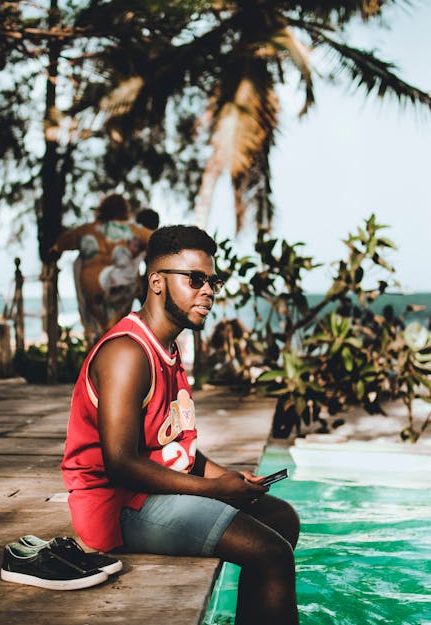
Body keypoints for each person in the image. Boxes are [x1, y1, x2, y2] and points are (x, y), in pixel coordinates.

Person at [61, 225, 300, 625]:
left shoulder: (167, 348)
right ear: (156, 281)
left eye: (213, 281)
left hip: (149, 494)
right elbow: (120, 462)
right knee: (271, 553)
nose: (208, 291)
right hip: (116, 507)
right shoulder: (127, 353)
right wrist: (211, 490)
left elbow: (172, 441)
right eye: (195, 279)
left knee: (281, 518)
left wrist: (229, 479)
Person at [49, 194, 154, 346]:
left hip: (92, 287)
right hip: (122, 290)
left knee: (98, 337)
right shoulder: (135, 230)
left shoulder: (87, 230)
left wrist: (55, 248)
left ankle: (95, 345)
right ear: (125, 211)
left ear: (101, 210)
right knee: (115, 332)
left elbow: (63, 242)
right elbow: (157, 240)